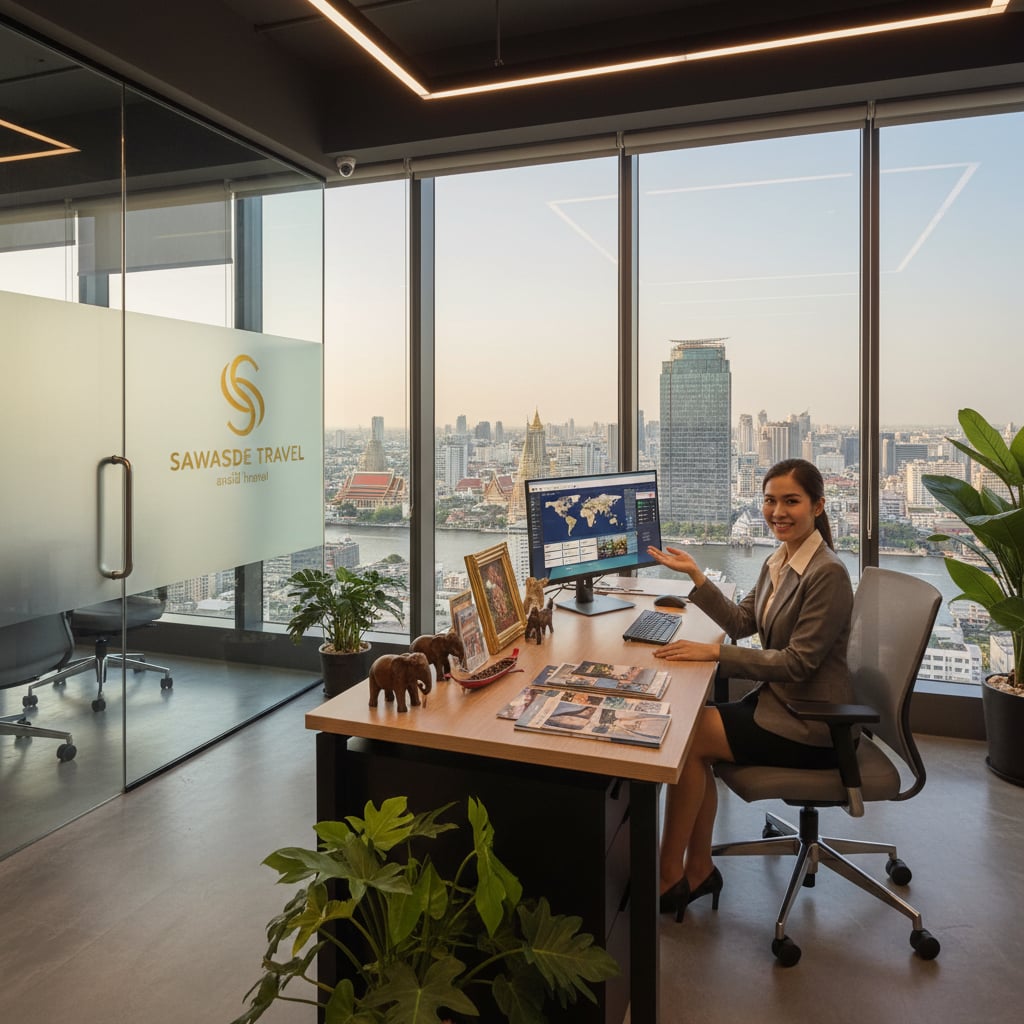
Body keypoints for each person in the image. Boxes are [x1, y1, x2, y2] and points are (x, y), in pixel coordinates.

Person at [645, 458, 854, 922]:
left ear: (818, 506)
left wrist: (715, 654)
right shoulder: (779, 559)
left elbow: (799, 664)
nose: (777, 511)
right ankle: (695, 871)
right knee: (695, 738)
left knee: (689, 736)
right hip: (779, 705)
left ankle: (668, 876)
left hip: (812, 725)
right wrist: (697, 577)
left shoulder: (828, 574)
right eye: (770, 500)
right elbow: (743, 622)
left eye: (791, 501)